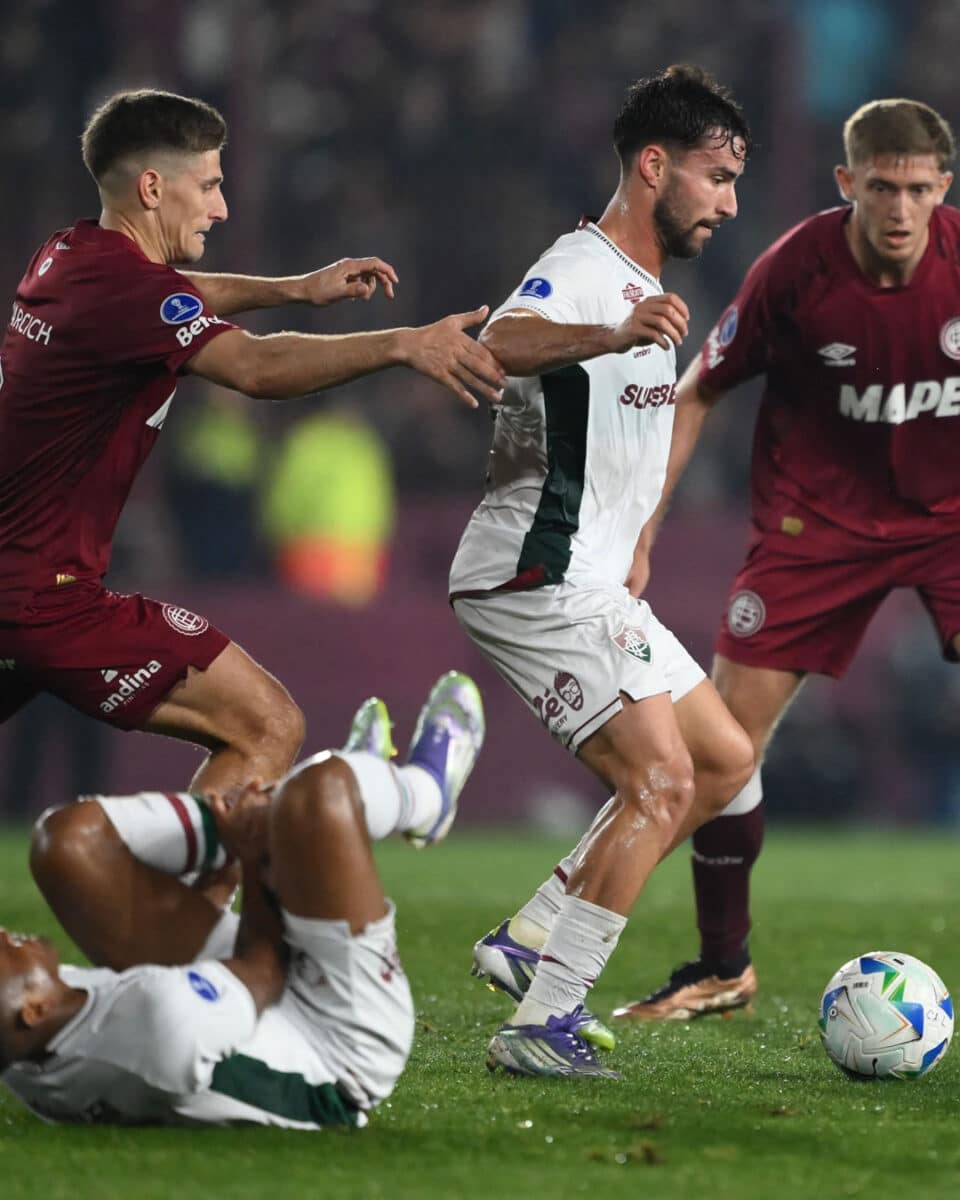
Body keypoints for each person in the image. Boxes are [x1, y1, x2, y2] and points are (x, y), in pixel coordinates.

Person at [0, 88, 504, 803]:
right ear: (152, 187)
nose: (221, 207)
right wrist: (402, 343)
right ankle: (176, 912)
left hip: (14, 580)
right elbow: (256, 369)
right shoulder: (127, 291)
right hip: (49, 599)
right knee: (268, 725)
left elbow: (174, 289)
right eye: (207, 185)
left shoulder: (66, 255)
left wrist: (299, 288)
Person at [613, 97, 960, 1020]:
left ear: (943, 189)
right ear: (847, 183)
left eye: (918, 189)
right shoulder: (797, 273)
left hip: (951, 519)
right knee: (725, 748)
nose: (898, 208)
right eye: (880, 187)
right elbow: (696, 392)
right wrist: (643, 530)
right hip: (819, 528)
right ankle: (722, 964)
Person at [448, 65, 755, 1078]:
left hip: (596, 573)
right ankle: (542, 1020)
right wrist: (609, 333)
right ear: (654, 164)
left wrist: (645, 535)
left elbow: (631, 441)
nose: (729, 202)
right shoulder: (586, 270)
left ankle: (531, 934)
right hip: (533, 573)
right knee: (660, 779)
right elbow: (502, 341)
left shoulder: (649, 294)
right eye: (716, 176)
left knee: (719, 761)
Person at [0, 671, 485, 1127]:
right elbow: (266, 968)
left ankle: (331, 816)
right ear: (33, 1010)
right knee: (317, 794)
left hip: (229, 1009)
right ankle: (417, 797)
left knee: (66, 846)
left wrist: (230, 859)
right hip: (338, 1043)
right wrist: (253, 854)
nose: (2, 934)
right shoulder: (160, 1026)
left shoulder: (25, 1049)